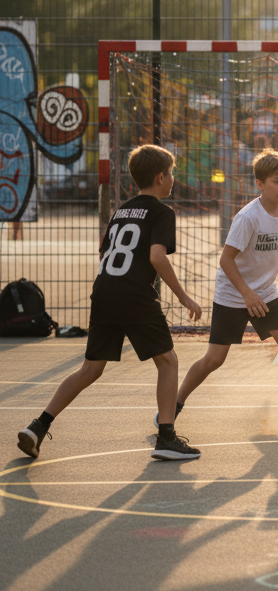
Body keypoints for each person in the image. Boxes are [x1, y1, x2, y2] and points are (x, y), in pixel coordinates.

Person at [17, 144, 203, 462]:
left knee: (90, 369)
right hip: (134, 294)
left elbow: (105, 255)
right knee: (168, 362)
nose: (173, 179)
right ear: (160, 177)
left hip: (104, 291)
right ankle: (167, 438)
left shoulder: (122, 211)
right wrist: (184, 295)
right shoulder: (161, 212)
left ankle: (38, 425)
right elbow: (156, 256)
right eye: (171, 174)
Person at [167, 150, 278, 434]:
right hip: (234, 294)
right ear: (260, 184)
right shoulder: (248, 217)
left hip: (265, 292)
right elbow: (226, 260)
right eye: (277, 181)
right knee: (215, 359)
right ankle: (173, 405)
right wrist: (247, 294)